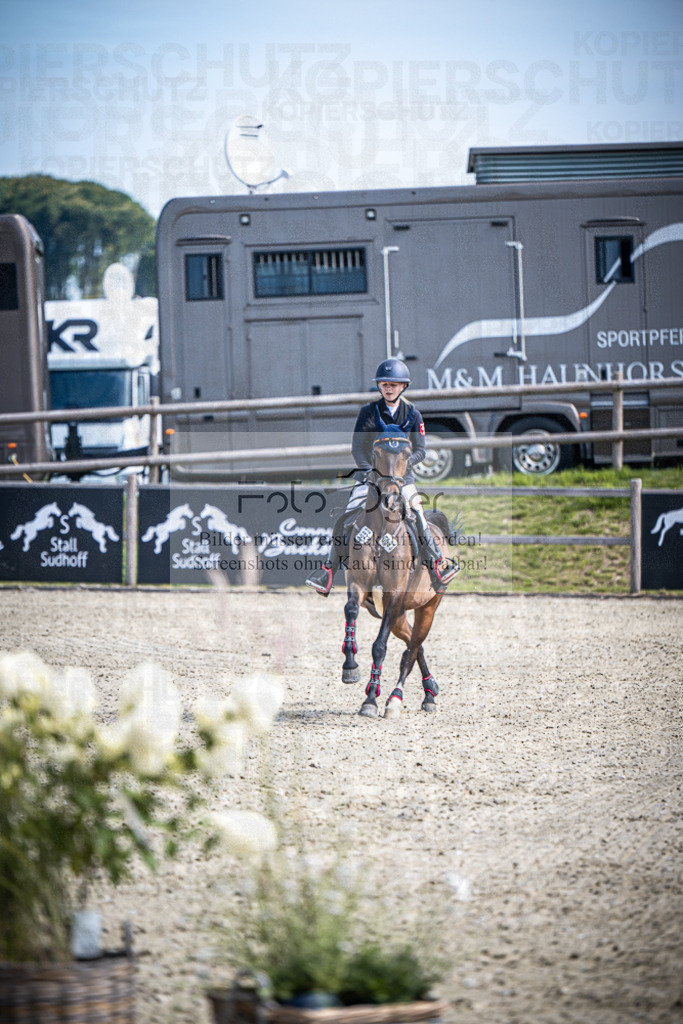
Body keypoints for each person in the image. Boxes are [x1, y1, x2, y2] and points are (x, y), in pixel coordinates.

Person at [305, 357, 459, 596]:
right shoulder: (368, 412)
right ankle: (328, 570)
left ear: (403, 387)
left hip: (402, 479)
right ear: (379, 386)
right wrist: (369, 471)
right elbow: (357, 448)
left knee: (418, 513)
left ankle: (438, 564)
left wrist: (404, 465)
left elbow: (420, 449)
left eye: (394, 384)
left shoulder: (413, 414)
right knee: (346, 517)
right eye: (384, 384)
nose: (389, 388)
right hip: (370, 478)